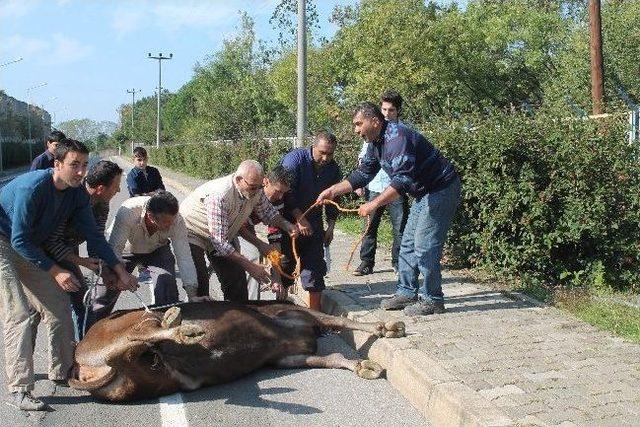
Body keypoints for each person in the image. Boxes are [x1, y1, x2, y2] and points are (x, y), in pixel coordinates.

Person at [0, 139, 137, 411]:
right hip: (4, 244)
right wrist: (56, 271)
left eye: (85, 165)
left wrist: (120, 270)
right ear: (57, 164)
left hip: (29, 246)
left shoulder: (76, 194)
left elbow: (95, 237)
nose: (81, 172)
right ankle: (19, 389)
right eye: (74, 165)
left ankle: (61, 371)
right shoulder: (33, 188)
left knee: (60, 307)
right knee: (20, 314)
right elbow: (18, 240)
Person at [317, 102, 461, 316]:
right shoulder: (375, 143)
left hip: (441, 188)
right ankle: (406, 292)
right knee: (408, 244)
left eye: (358, 124)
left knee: (424, 246)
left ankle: (433, 299)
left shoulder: (397, 139)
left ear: (375, 121)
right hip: (423, 192)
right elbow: (363, 174)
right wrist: (333, 191)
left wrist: (373, 203)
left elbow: (402, 181)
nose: (356, 130)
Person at [180, 160, 298, 302]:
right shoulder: (220, 195)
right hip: (193, 231)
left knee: (237, 281)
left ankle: (238, 319)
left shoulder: (255, 190)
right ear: (238, 179)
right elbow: (220, 244)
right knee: (199, 283)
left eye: (259, 187)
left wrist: (287, 225)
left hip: (222, 234)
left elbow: (269, 214)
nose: (256, 191)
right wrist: (251, 266)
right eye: (253, 187)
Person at [92, 190, 207, 323]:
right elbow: (114, 248)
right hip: (125, 249)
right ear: (151, 216)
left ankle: (164, 332)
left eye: (172, 220)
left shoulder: (176, 221)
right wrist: (121, 275)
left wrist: (192, 295)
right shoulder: (129, 211)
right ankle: (91, 330)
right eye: (166, 222)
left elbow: (184, 257)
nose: (171, 225)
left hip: (157, 249)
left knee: (166, 284)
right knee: (105, 292)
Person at [40, 160, 124, 339]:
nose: (118, 190)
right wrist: (82, 262)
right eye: (116, 186)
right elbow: (52, 242)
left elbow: (96, 241)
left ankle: (84, 347)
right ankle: (79, 355)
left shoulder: (102, 203)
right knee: (69, 304)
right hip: (43, 252)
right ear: (100, 188)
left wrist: (105, 272)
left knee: (80, 301)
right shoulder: (70, 199)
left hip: (68, 248)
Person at [280, 131, 342, 311]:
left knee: (314, 269)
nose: (325, 157)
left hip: (314, 224)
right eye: (322, 152)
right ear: (313, 146)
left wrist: (330, 225)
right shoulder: (294, 161)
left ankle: (316, 318)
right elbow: (285, 192)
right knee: (286, 265)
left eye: (330, 154)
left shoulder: (333, 169)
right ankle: (281, 308)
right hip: (287, 220)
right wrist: (299, 218)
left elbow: (333, 198)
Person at [354, 90, 409, 276]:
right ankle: (366, 263)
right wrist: (358, 183)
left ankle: (399, 263)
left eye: (391, 110)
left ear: (398, 111)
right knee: (369, 227)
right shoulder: (371, 132)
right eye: (384, 109)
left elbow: (405, 171)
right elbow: (364, 161)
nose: (387, 113)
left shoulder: (403, 134)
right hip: (375, 186)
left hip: (396, 189)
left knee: (400, 228)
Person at [240, 165, 294, 300]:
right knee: (253, 256)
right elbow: (239, 227)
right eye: (277, 191)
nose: (280, 196)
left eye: (283, 193)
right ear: (266, 181)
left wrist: (277, 277)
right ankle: (252, 307)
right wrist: (259, 245)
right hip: (230, 225)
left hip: (246, 226)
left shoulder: (277, 201)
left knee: (256, 256)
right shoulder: (249, 192)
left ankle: (252, 303)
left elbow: (275, 240)